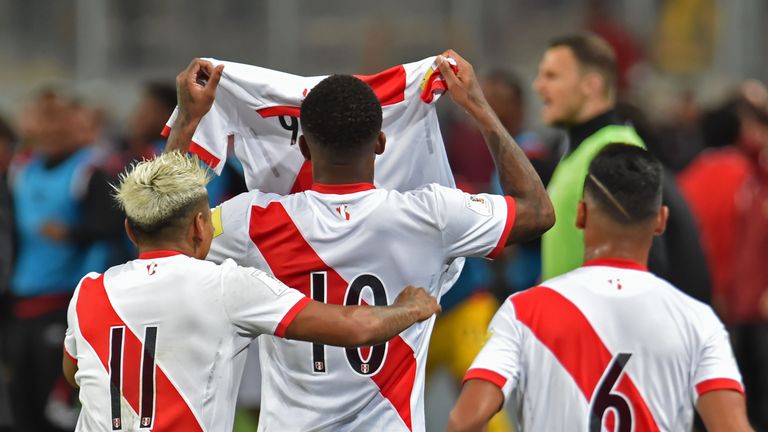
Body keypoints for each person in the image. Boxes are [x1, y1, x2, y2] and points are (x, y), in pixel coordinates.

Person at [166, 50, 553, 431]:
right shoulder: (431, 215)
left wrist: (187, 120)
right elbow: (538, 212)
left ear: (303, 148)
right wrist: (479, 108)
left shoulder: (253, 221)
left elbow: (167, 232)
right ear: (381, 144)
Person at [61, 151, 440, 431]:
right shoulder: (227, 285)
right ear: (200, 226)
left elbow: (73, 371)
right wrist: (410, 307)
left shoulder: (89, 292)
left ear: (130, 230)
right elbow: (354, 328)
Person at [447, 144, 751, 432]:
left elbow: (465, 420)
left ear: (580, 214)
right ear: (660, 221)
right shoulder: (698, 320)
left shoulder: (524, 311)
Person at [535, 33, 711, 304]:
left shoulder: (615, 150)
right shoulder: (580, 150)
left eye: (552, 76)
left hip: (602, 337)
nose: (538, 86)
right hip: (571, 333)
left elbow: (651, 261)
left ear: (591, 85)